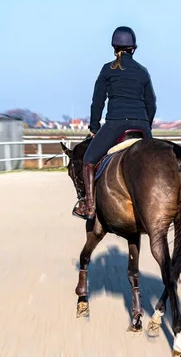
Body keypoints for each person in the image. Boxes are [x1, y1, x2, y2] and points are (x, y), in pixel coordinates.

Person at [73, 26, 157, 220]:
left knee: (88, 160)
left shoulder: (108, 69)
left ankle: (89, 206)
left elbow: (98, 102)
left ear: (114, 47)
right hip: (142, 126)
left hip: (116, 124)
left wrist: (94, 128)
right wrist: (146, 126)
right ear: (133, 48)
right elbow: (151, 103)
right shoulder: (143, 72)